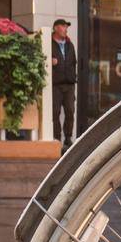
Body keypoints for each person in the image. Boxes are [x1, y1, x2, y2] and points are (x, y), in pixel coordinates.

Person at [51, 18, 77, 150]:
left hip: (69, 84)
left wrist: (73, 77)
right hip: (56, 85)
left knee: (70, 111)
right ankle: (56, 138)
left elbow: (73, 62)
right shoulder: (49, 43)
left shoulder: (69, 45)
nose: (66, 29)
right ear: (56, 28)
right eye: (63, 26)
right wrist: (50, 62)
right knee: (55, 112)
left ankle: (68, 138)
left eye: (67, 27)